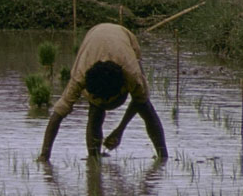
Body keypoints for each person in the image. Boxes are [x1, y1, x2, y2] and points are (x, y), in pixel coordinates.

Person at [38, 23, 167, 162]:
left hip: (124, 35)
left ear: (122, 87)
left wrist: (120, 130)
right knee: (95, 111)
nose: (105, 104)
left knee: (146, 107)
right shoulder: (80, 75)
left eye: (108, 101)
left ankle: (163, 156)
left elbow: (140, 100)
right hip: (93, 36)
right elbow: (57, 115)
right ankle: (93, 159)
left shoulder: (132, 74)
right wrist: (44, 156)